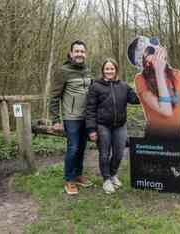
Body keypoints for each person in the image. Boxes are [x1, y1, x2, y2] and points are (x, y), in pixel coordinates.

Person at [85, 58, 140, 194]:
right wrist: (91, 129)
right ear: (103, 70)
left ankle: (113, 174)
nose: (109, 71)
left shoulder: (123, 86)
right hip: (102, 125)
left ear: (116, 70)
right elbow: (90, 109)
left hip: (120, 126)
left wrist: (145, 89)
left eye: (112, 69)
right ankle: (106, 180)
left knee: (119, 153)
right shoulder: (96, 86)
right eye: (107, 69)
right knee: (104, 154)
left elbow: (135, 99)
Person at [49, 40, 94, 195]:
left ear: (85, 54)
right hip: (71, 117)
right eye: (77, 51)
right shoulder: (63, 71)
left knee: (82, 148)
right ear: (71, 53)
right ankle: (69, 180)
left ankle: (78, 174)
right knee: (73, 148)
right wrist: (55, 120)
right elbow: (54, 96)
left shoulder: (87, 70)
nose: (80, 54)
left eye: (82, 51)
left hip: (86, 117)